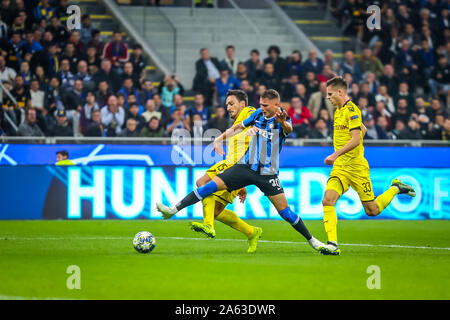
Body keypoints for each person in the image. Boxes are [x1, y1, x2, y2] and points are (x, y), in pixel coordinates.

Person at [156, 89, 328, 254]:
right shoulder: (258, 115)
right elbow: (238, 126)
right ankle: (172, 210)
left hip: (267, 173)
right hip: (245, 167)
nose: (262, 108)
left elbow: (288, 129)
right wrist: (218, 138)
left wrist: (281, 122)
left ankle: (313, 241)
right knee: (207, 186)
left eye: (266, 105)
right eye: (261, 104)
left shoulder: (281, 117)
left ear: (276, 105)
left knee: (285, 212)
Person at [320, 77, 416, 255]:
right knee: (327, 200)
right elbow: (361, 130)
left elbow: (357, 139)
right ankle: (332, 244)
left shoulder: (352, 110)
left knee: (372, 210)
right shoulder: (338, 111)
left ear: (340, 92)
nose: (328, 97)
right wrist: (339, 157)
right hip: (340, 168)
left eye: (330, 94)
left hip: (357, 169)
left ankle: (396, 188)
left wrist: (335, 154)